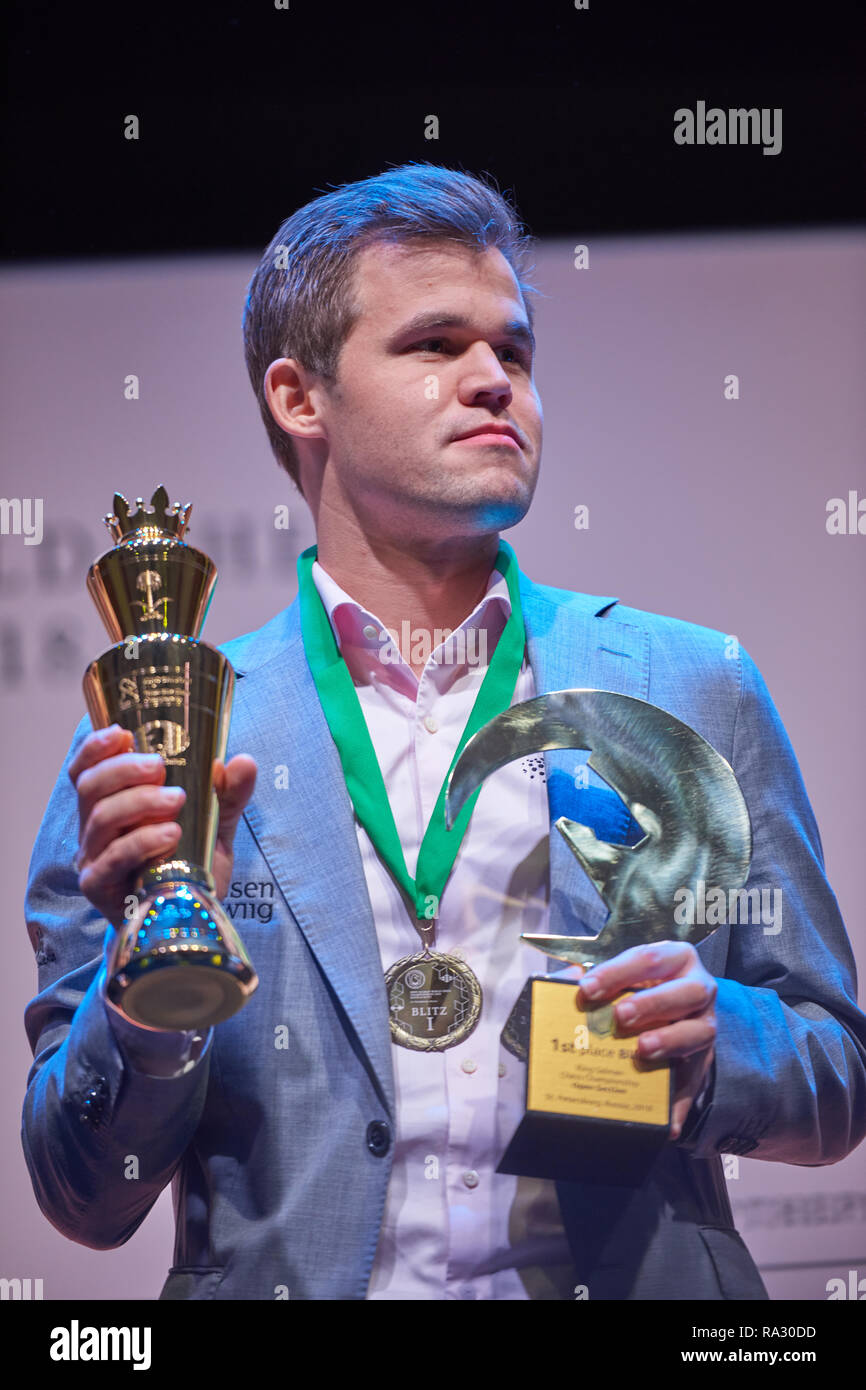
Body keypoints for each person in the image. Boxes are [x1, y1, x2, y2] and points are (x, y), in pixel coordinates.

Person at [21, 163, 866, 1301]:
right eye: (433, 346)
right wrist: (149, 992)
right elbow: (85, 1193)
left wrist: (719, 1046)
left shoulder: (689, 680)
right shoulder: (169, 733)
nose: (492, 382)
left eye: (512, 353)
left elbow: (835, 1073)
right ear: (298, 397)